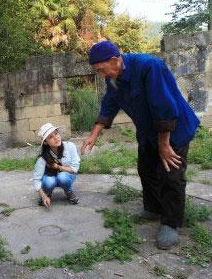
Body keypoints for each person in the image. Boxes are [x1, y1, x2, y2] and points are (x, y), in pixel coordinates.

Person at [80, 40, 200, 249]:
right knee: (146, 169)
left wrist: (164, 145)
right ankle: (153, 208)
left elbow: (163, 106)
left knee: (171, 175)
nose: (101, 75)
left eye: (101, 69)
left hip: (174, 130)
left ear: (115, 60)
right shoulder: (113, 77)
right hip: (147, 133)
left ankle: (170, 223)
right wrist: (93, 135)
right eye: (97, 71)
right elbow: (110, 103)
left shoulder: (149, 67)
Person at [33, 123, 81, 207]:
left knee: (63, 177)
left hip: (66, 176)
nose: (56, 137)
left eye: (56, 133)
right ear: (45, 142)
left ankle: (68, 191)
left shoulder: (70, 146)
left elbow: (75, 168)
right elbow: (36, 179)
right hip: (50, 177)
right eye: (50, 137)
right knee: (49, 182)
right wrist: (43, 196)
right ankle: (47, 193)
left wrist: (58, 167)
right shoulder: (43, 157)